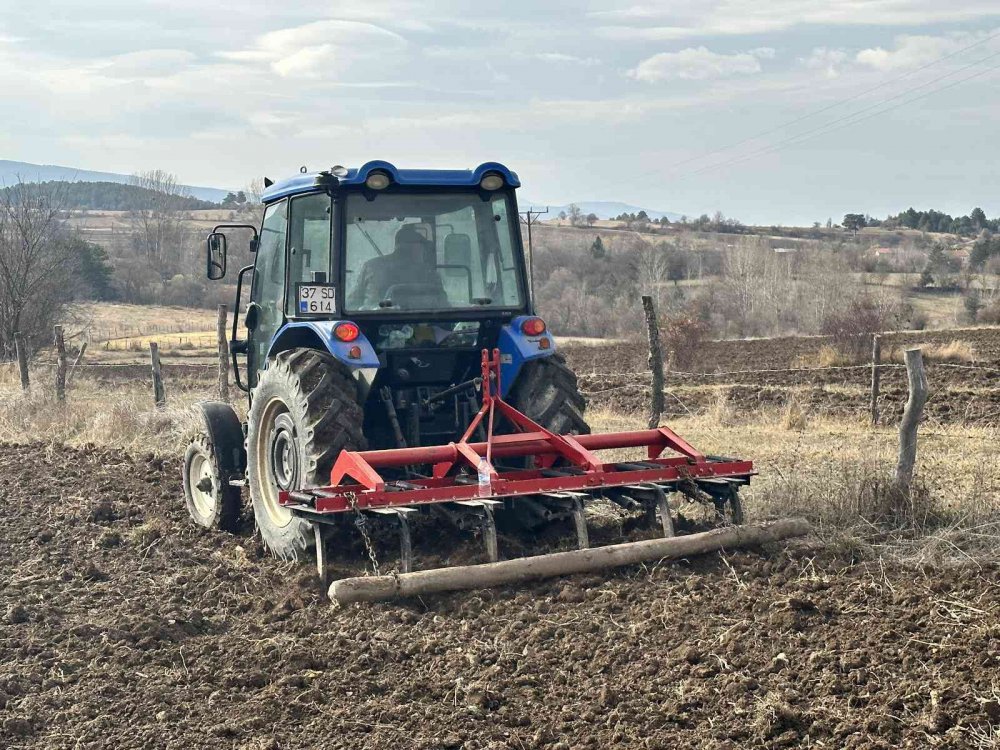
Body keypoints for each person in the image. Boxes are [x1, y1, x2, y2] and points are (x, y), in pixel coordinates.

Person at [347, 225, 447, 309]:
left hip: (373, 321)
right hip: (424, 322)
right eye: (422, 247)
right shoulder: (429, 273)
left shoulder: (371, 266)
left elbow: (352, 304)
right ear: (415, 248)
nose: (423, 252)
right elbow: (444, 306)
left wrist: (367, 309)